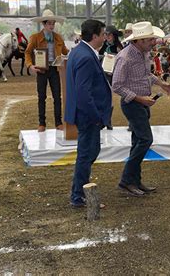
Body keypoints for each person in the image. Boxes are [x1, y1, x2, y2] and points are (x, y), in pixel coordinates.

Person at [112, 22, 170, 196]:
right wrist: (140, 99)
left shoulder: (142, 53)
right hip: (133, 104)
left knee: (137, 142)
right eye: (150, 39)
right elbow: (116, 86)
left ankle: (134, 181)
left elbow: (146, 74)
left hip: (141, 103)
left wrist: (161, 83)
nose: (154, 42)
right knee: (145, 140)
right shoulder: (125, 57)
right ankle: (126, 181)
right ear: (139, 40)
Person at [65, 19, 112, 208]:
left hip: (84, 113)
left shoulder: (79, 52)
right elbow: (84, 93)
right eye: (103, 34)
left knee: (89, 152)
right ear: (94, 36)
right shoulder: (85, 56)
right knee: (86, 154)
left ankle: (79, 192)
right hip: (88, 115)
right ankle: (78, 196)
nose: (105, 37)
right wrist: (96, 116)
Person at [25, 9, 69, 132]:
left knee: (57, 97)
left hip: (55, 70)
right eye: (49, 23)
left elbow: (66, 52)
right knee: (41, 97)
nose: (52, 26)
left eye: (53, 23)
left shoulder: (58, 38)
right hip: (41, 70)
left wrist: (74, 54)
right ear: (44, 24)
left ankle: (58, 122)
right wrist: (30, 66)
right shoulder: (35, 38)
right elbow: (27, 52)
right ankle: (42, 123)